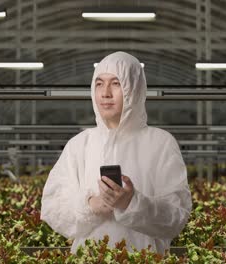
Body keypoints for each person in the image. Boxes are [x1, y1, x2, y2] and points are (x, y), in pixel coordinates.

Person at [40, 51, 192, 254]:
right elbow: (52, 207)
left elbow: (176, 217)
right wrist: (90, 206)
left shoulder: (160, 143)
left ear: (135, 89)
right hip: (88, 258)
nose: (105, 93)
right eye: (99, 84)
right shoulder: (79, 145)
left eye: (116, 83)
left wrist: (131, 203)